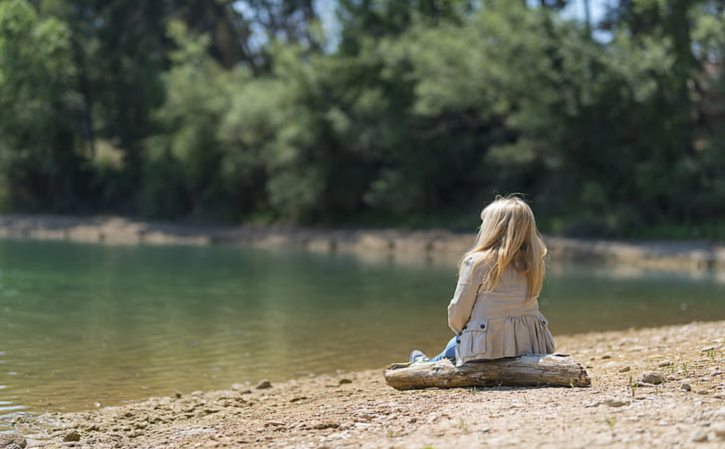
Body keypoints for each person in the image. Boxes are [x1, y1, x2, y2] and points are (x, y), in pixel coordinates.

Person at [409, 195, 555, 365]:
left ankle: (423, 364)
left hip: (488, 350)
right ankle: (426, 362)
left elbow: (458, 313)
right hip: (529, 345)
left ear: (493, 228)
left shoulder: (478, 262)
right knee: (452, 346)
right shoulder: (534, 262)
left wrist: (466, 333)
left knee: (453, 345)